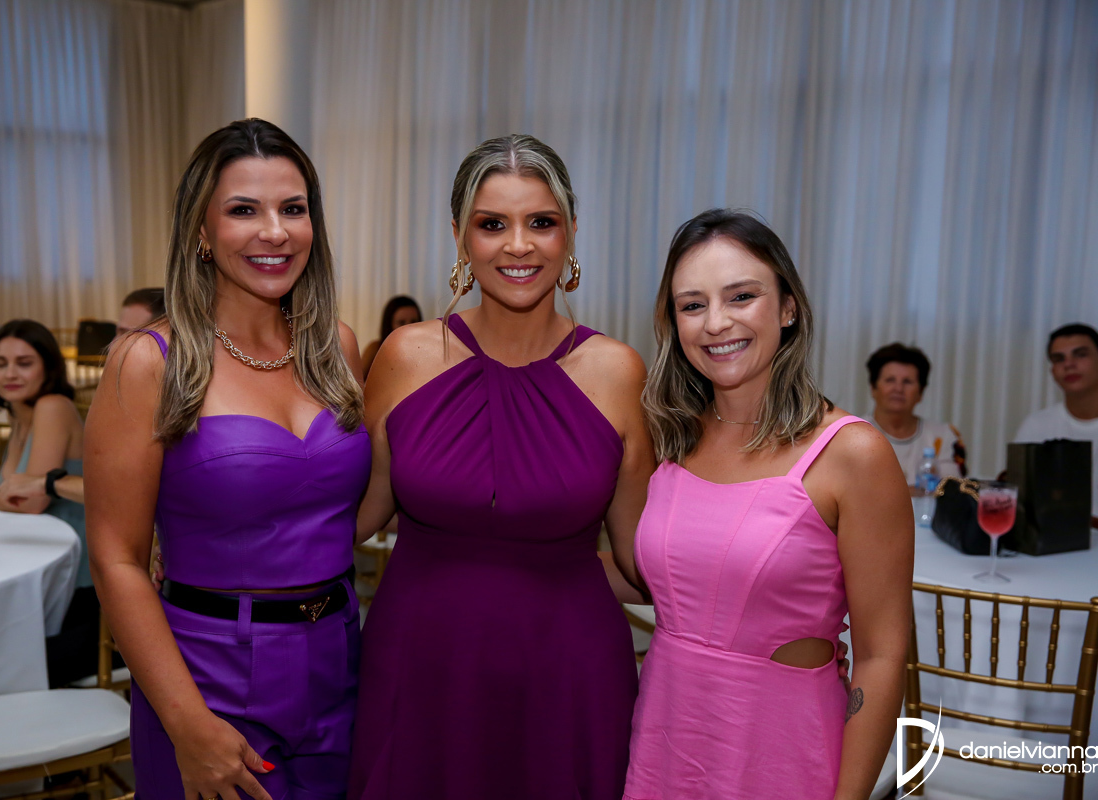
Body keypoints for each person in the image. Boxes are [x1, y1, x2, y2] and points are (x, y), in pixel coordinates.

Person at [348, 134, 652, 800]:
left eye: (541, 222)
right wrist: (222, 543)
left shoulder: (618, 372)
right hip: (420, 667)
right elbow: (356, 514)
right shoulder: (405, 356)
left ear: (570, 234)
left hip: (569, 675)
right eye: (492, 224)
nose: (519, 245)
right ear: (460, 237)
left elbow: (642, 559)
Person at [86, 118, 369, 800]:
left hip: (338, 658)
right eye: (244, 210)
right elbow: (116, 559)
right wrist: (187, 723)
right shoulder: (149, 362)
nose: (275, 232)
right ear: (202, 232)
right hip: (208, 673)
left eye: (292, 209)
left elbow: (345, 507)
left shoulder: (336, 346)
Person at [624, 210, 912, 800]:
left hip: (782, 754)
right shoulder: (672, 440)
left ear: (788, 308)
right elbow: (654, 577)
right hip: (664, 744)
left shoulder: (852, 453)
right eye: (693, 304)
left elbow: (882, 656)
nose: (716, 322)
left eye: (741, 296)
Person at [0, 320, 92, 686]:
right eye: (0, 364)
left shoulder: (52, 406)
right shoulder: (20, 415)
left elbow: (32, 502)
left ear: (48, 368)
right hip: (41, 560)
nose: (10, 373)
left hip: (77, 581)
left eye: (24, 363)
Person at [1014, 323, 1098, 525]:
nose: (1069, 364)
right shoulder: (1036, 425)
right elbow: (1017, 498)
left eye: (1080, 355)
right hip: (1053, 537)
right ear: (1052, 371)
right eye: (1059, 359)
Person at [864, 342, 967, 487]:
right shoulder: (852, 435)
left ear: (921, 392)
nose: (898, 388)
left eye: (907, 382)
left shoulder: (944, 436)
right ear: (873, 388)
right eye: (890, 380)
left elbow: (954, 490)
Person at [360, 295, 422, 378]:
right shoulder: (375, 349)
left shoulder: (426, 352)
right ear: (389, 325)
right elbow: (356, 382)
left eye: (414, 322)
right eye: (401, 322)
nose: (408, 327)